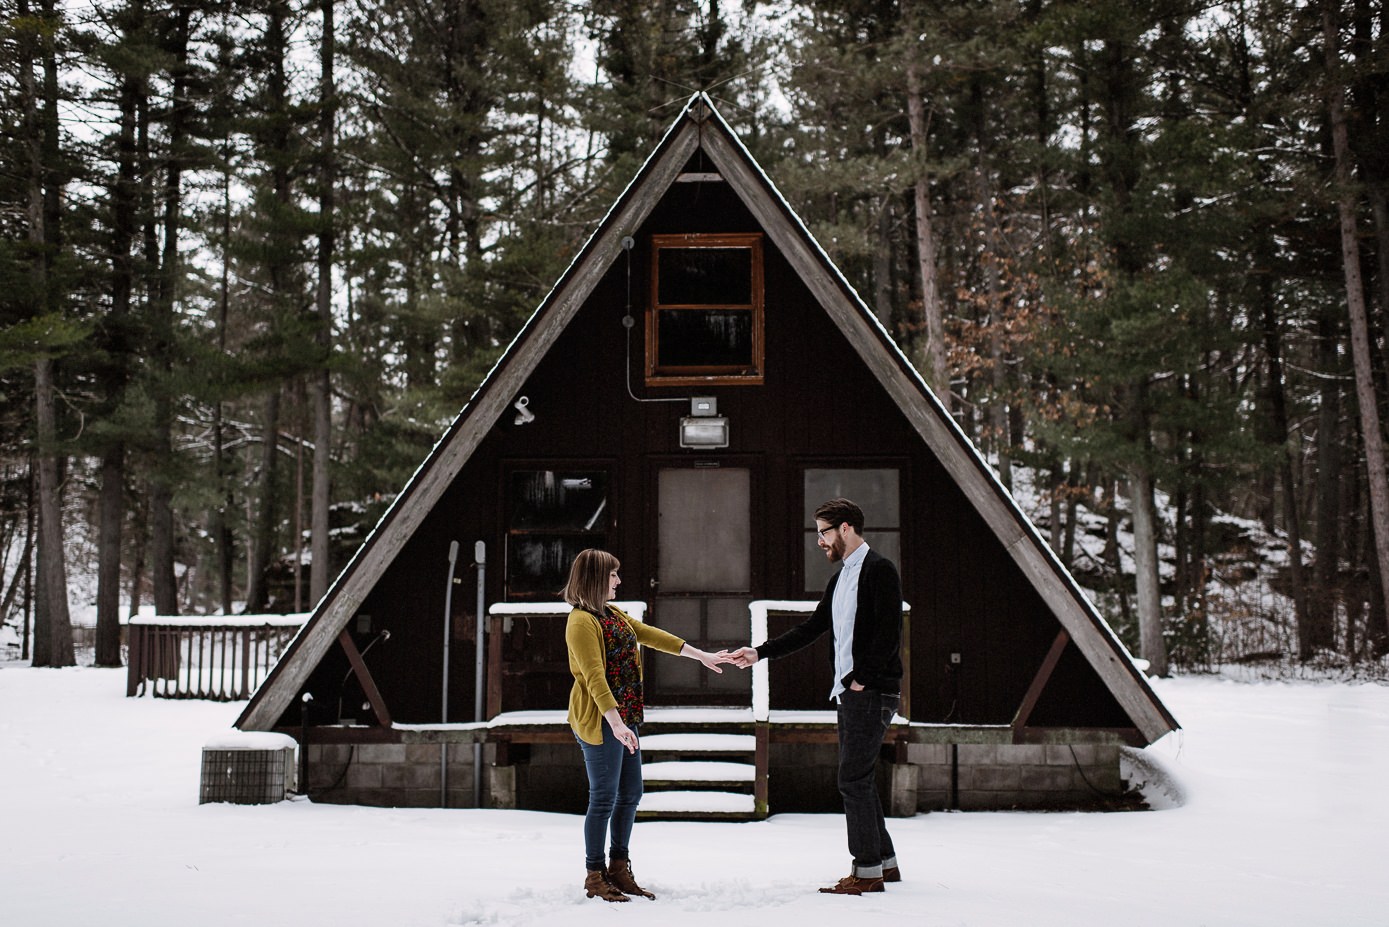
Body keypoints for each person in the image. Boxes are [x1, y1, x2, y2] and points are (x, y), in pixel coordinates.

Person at [729, 498, 904, 895]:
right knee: (859, 777)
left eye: (823, 532)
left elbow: (888, 633)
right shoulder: (842, 578)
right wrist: (761, 652)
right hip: (853, 692)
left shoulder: (879, 570)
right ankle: (885, 864)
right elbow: (813, 627)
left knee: (852, 779)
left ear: (845, 529)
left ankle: (866, 872)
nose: (819, 541)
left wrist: (861, 678)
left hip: (871, 692)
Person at [563, 548, 732, 903]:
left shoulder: (611, 614)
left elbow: (650, 635)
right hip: (602, 719)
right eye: (612, 575)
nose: (618, 581)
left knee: (631, 794)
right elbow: (594, 678)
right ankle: (595, 874)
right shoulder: (581, 621)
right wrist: (616, 723)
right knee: (604, 798)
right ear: (595, 578)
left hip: (624, 718)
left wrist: (699, 655)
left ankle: (618, 868)